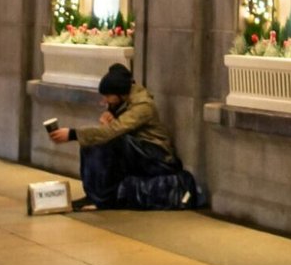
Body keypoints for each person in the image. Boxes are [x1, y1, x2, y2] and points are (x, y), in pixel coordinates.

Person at [47, 64, 197, 209]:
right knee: (91, 143)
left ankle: (102, 199)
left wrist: (73, 134)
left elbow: (114, 131)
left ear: (120, 93)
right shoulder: (122, 102)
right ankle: (93, 195)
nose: (104, 101)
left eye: (107, 96)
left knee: (106, 141)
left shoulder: (143, 106)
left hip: (157, 157)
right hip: (140, 150)